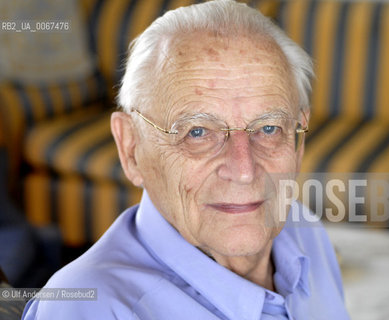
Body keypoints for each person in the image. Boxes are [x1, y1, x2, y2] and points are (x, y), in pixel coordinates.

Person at [22, 0, 349, 319]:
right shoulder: (91, 308)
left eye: (268, 127)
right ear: (131, 148)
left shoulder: (301, 229)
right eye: (197, 132)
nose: (245, 170)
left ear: (298, 139)